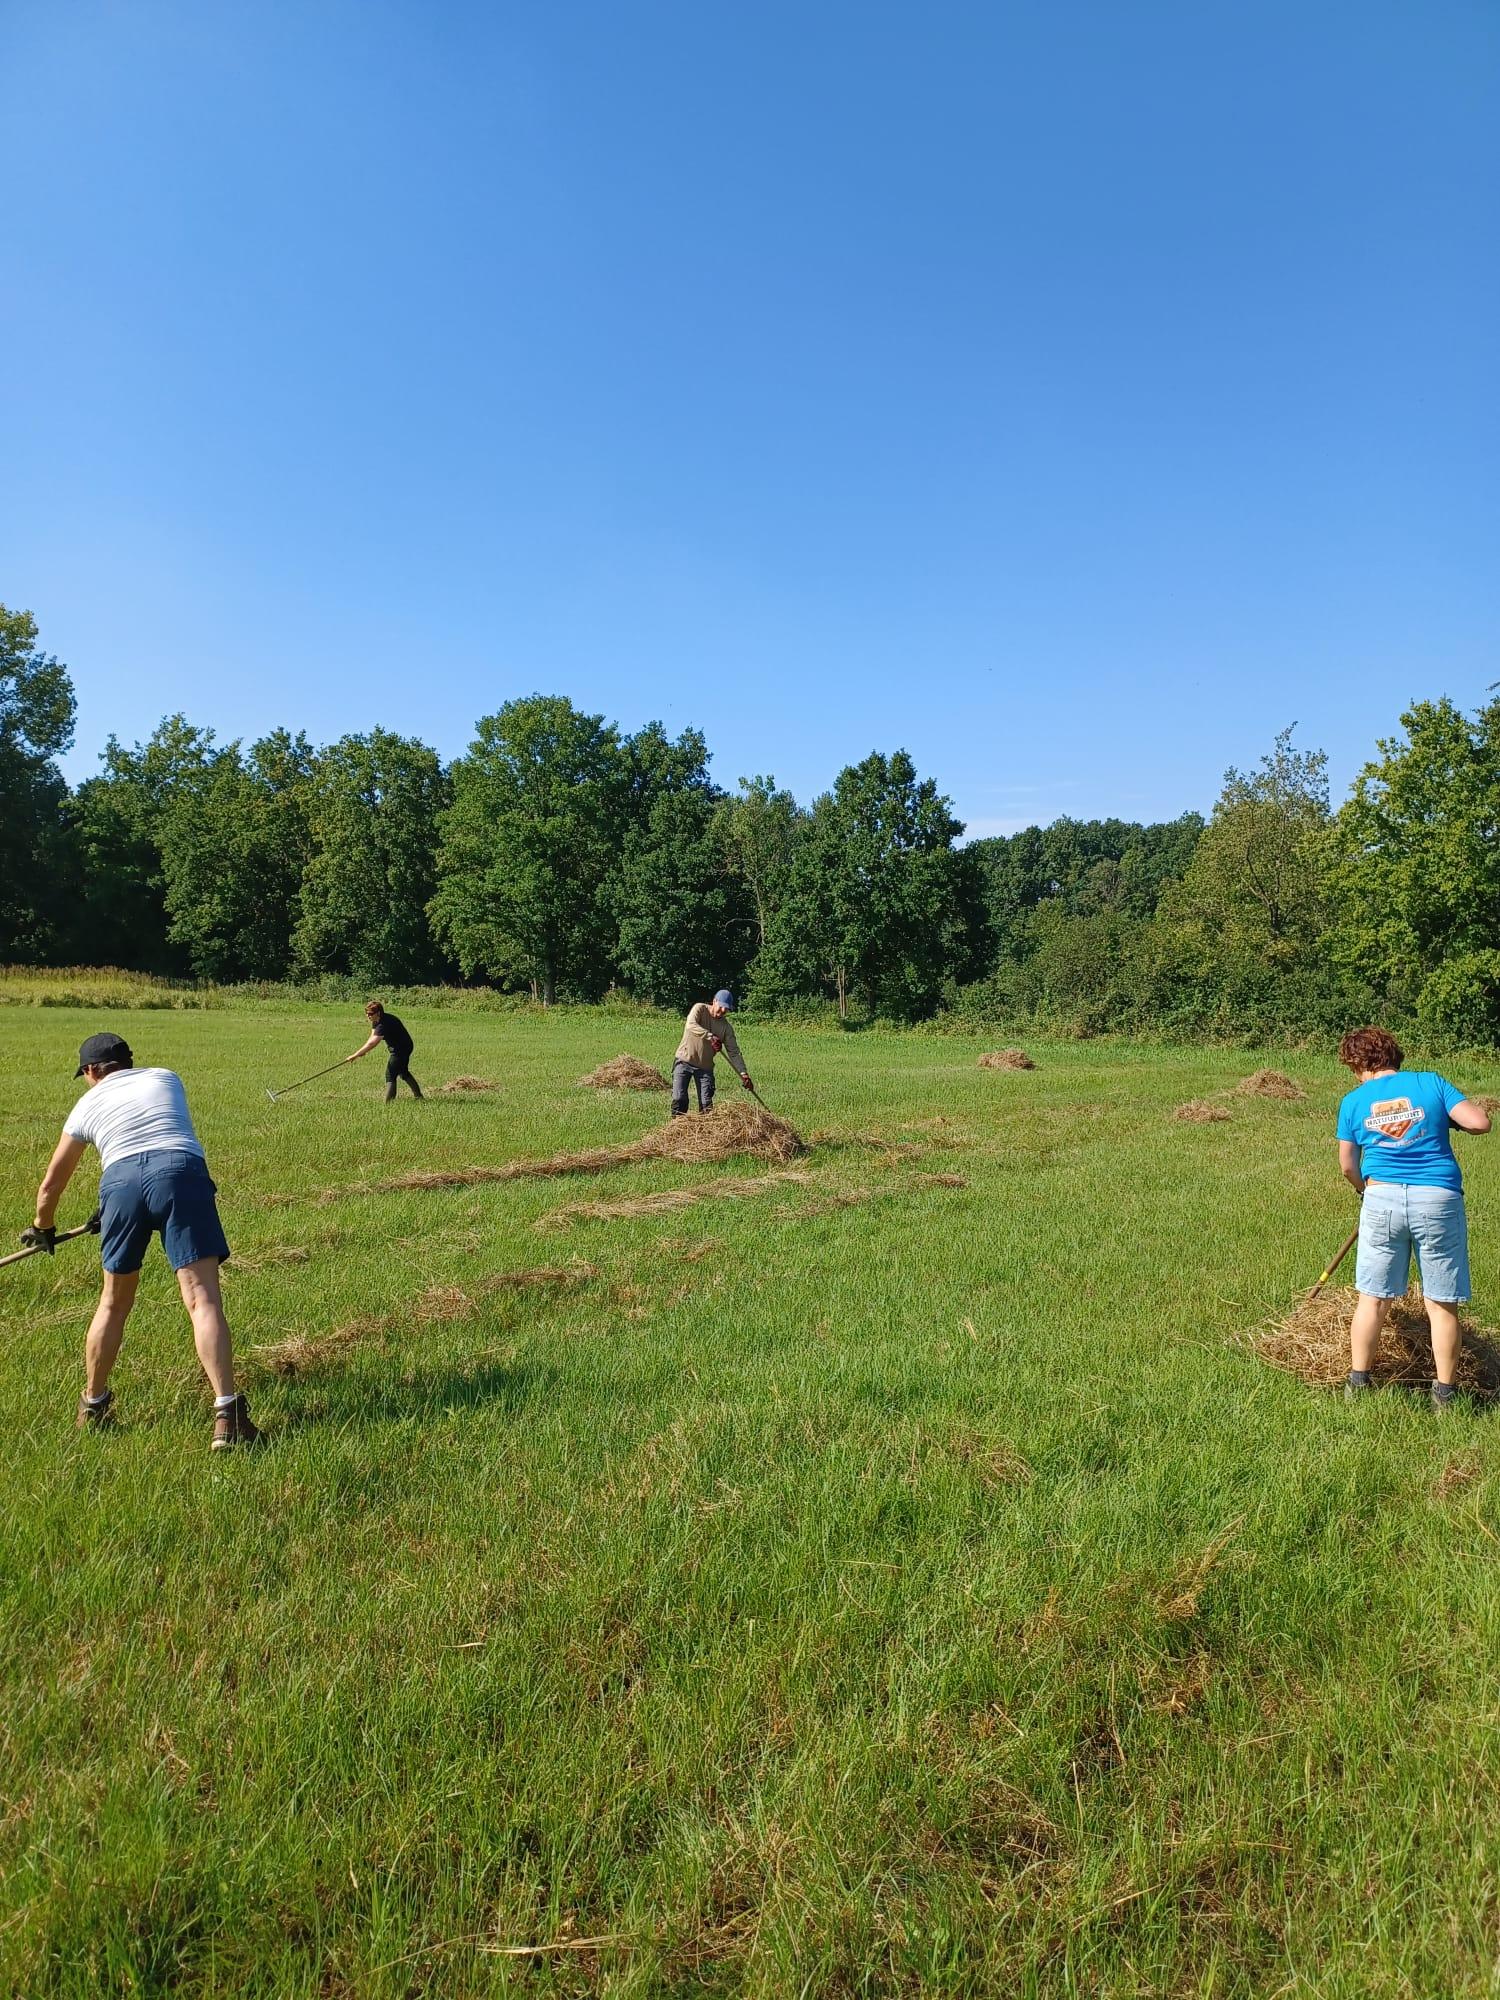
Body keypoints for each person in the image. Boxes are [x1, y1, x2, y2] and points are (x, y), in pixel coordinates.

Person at [22, 1031, 261, 1449]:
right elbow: (155, 1140)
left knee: (113, 1303)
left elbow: (50, 1186)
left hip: (120, 1184)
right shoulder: (166, 1077)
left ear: (92, 1070)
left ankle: (92, 1406)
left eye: (84, 1075)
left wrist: (42, 1228)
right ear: (126, 1062)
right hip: (182, 1173)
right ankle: (228, 1416)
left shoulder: (86, 1104)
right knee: (202, 1298)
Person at [1335, 1026, 1491, 1407]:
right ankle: (1445, 1394)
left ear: (1359, 1064)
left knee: (1372, 1298)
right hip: (1437, 1198)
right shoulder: (1431, 1083)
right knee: (1441, 1302)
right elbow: (1479, 1122)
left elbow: (1346, 1165)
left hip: (1381, 1198)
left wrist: (1364, 1189)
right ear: (1393, 1055)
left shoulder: (1354, 1101)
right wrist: (1449, 1120)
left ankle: (1358, 1384)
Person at [672, 989, 753, 1117]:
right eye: (721, 1007)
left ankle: (704, 1134)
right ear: (714, 1001)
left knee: (706, 1106)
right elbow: (690, 1025)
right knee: (679, 1100)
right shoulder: (699, 1009)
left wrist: (743, 1073)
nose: (722, 1011)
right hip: (684, 1061)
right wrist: (710, 1036)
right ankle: (676, 1131)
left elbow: (734, 1052)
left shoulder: (726, 1028)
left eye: (726, 1009)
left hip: (705, 1068)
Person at [347, 1001, 422, 1101]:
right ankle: (419, 1097)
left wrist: (355, 1055)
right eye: (366, 1013)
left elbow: (373, 1043)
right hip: (401, 1046)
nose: (368, 1016)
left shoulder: (383, 1023)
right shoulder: (376, 1020)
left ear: (378, 1013)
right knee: (403, 1071)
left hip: (401, 1049)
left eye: (370, 1014)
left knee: (390, 1074)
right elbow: (372, 1037)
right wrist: (363, 1051)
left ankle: (388, 1103)